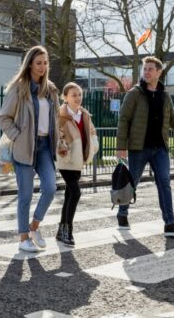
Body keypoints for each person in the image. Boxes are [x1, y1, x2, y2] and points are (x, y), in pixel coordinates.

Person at [116, 56, 174, 236]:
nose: (146, 72)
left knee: (164, 184)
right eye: (144, 69)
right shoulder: (135, 93)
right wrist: (121, 146)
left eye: (150, 69)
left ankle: (170, 223)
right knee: (133, 183)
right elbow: (123, 119)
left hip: (160, 149)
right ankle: (122, 212)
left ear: (158, 72)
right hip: (138, 148)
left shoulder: (165, 96)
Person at [0, 45, 60, 253]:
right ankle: (23, 238)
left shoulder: (50, 90)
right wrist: (18, 135)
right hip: (24, 147)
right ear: (30, 64)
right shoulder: (19, 88)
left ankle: (34, 227)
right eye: (38, 63)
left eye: (45, 63)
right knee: (25, 195)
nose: (43, 67)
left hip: (44, 147)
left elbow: (55, 120)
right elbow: (3, 118)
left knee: (50, 188)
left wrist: (60, 142)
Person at [55, 82, 99, 246]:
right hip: (66, 160)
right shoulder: (60, 115)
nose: (78, 97)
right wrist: (61, 145)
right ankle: (68, 231)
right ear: (65, 97)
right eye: (74, 95)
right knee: (76, 192)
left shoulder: (84, 114)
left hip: (79, 160)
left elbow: (92, 132)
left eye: (79, 94)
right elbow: (56, 135)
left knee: (69, 195)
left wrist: (93, 146)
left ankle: (61, 230)